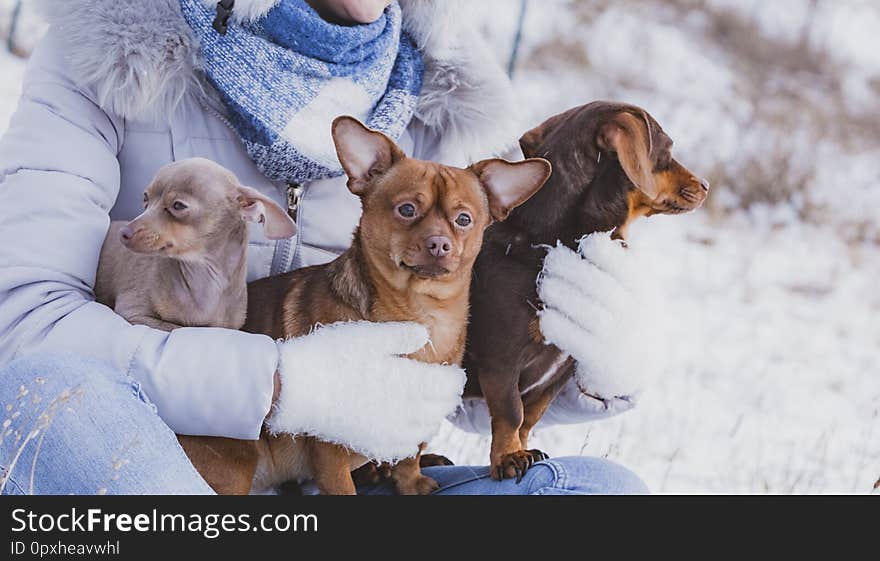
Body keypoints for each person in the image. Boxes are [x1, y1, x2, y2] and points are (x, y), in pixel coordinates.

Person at [0, 0, 649, 495]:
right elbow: (23, 329)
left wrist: (585, 372)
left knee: (603, 493)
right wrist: (278, 383)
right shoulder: (114, 48)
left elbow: (456, 380)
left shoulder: (441, 104)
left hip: (346, 483)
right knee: (52, 400)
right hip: (162, 466)